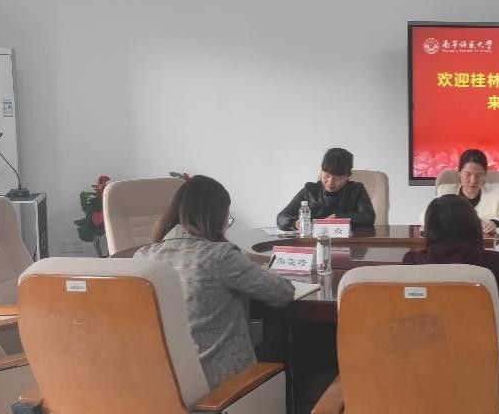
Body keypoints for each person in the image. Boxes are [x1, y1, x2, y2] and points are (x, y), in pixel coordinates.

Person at [135, 175, 295, 389]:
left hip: (167, 385)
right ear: (216, 218)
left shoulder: (143, 257)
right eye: (227, 218)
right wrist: (271, 273)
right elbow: (282, 294)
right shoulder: (220, 256)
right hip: (223, 385)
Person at [405, 194, 499, 321]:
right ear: (473, 226)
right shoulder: (494, 263)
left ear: (430, 230)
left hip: (428, 342)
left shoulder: (413, 263)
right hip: (485, 344)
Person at [277, 147, 375, 229]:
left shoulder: (356, 190)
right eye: (326, 176)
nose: (330, 182)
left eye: (338, 178)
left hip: (347, 241)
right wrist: (296, 223)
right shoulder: (310, 190)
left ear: (348, 176)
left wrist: (339, 218)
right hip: (315, 241)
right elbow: (282, 218)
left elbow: (369, 217)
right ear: (321, 171)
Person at [432, 148, 499, 234]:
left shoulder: (496, 192)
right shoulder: (445, 191)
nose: (473, 181)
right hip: (452, 240)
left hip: (484, 241)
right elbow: (428, 217)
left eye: (479, 175)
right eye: (468, 174)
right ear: (459, 173)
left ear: (485, 175)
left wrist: (496, 223)